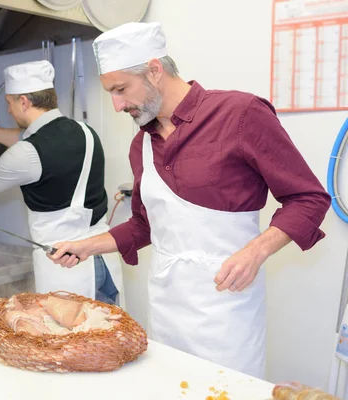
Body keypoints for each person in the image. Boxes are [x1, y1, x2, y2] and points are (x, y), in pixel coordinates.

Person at [48, 22, 331, 378]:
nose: (117, 105)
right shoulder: (143, 144)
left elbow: (309, 198)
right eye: (111, 93)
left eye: (121, 89)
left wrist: (256, 251)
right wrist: (87, 245)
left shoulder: (240, 115)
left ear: (154, 71)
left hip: (227, 307)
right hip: (167, 308)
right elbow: (145, 225)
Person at [0, 60, 125, 308]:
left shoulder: (27, 154)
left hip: (68, 268)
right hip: (103, 259)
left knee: (69, 343)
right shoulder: (85, 131)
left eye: (9, 103)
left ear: (24, 102)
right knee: (108, 338)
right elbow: (28, 140)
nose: (8, 110)